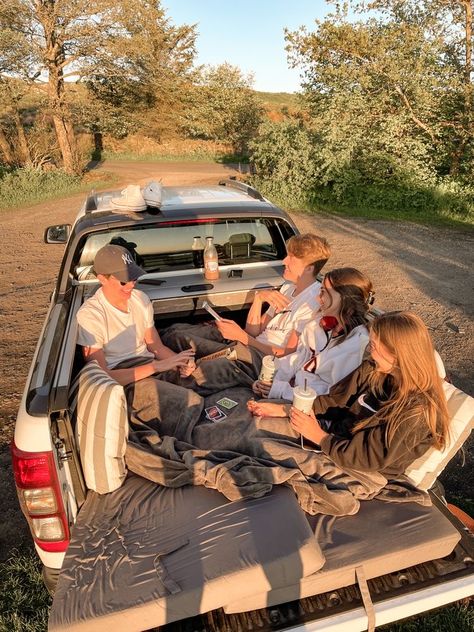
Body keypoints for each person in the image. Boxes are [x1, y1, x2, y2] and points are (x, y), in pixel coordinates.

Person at [251, 311, 450, 479]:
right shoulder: (374, 371)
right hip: (335, 439)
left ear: (397, 354)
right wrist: (286, 410)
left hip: (362, 470)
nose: (370, 353)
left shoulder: (417, 411)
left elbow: (370, 457)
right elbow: (334, 401)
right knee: (256, 424)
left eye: (374, 346)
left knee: (262, 448)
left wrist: (319, 437)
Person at [76, 244, 201, 441]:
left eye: (134, 278)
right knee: (188, 402)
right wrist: (157, 366)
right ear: (102, 279)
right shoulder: (90, 315)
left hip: (151, 366)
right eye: (124, 281)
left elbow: (156, 347)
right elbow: (104, 379)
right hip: (125, 379)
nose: (131, 285)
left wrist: (180, 362)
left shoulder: (140, 299)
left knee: (204, 378)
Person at [161, 233, 331, 360]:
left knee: (189, 352)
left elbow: (287, 353)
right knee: (175, 332)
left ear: (309, 268)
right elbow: (253, 331)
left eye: (291, 259)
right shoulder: (287, 288)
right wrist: (259, 298)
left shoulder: (312, 302)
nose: (283, 261)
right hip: (246, 343)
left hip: (260, 359)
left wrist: (242, 337)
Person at [248, 268, 374, 414]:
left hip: (310, 410)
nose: (317, 298)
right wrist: (270, 380)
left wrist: (281, 390)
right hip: (290, 392)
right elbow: (299, 358)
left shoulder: (356, 345)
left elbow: (330, 396)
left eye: (324, 293)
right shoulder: (320, 325)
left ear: (345, 299)